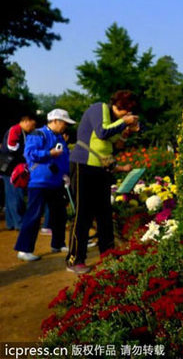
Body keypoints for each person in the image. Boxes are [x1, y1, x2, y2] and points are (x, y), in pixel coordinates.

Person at [67, 90, 139, 274]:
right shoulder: (99, 109)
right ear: (121, 107)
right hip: (83, 166)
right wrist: (124, 122)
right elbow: (101, 132)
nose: (128, 115)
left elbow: (117, 144)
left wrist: (127, 132)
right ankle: (75, 259)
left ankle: (109, 256)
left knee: (104, 215)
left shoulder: (115, 120)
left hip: (101, 169)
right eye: (127, 112)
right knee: (83, 215)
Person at [14, 109, 75, 261]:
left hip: (56, 182)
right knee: (34, 215)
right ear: (55, 121)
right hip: (39, 182)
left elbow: (64, 157)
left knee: (59, 214)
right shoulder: (37, 134)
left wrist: (66, 174)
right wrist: (49, 153)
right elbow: (29, 154)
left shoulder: (59, 137)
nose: (65, 126)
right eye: (64, 123)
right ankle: (24, 249)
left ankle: (58, 243)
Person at [1, 115, 37, 230]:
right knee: (17, 195)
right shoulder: (16, 129)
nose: (33, 128)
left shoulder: (20, 131)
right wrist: (26, 151)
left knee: (11, 195)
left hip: (9, 168)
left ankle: (11, 222)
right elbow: (12, 146)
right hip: (12, 168)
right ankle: (19, 222)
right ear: (26, 121)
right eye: (33, 125)